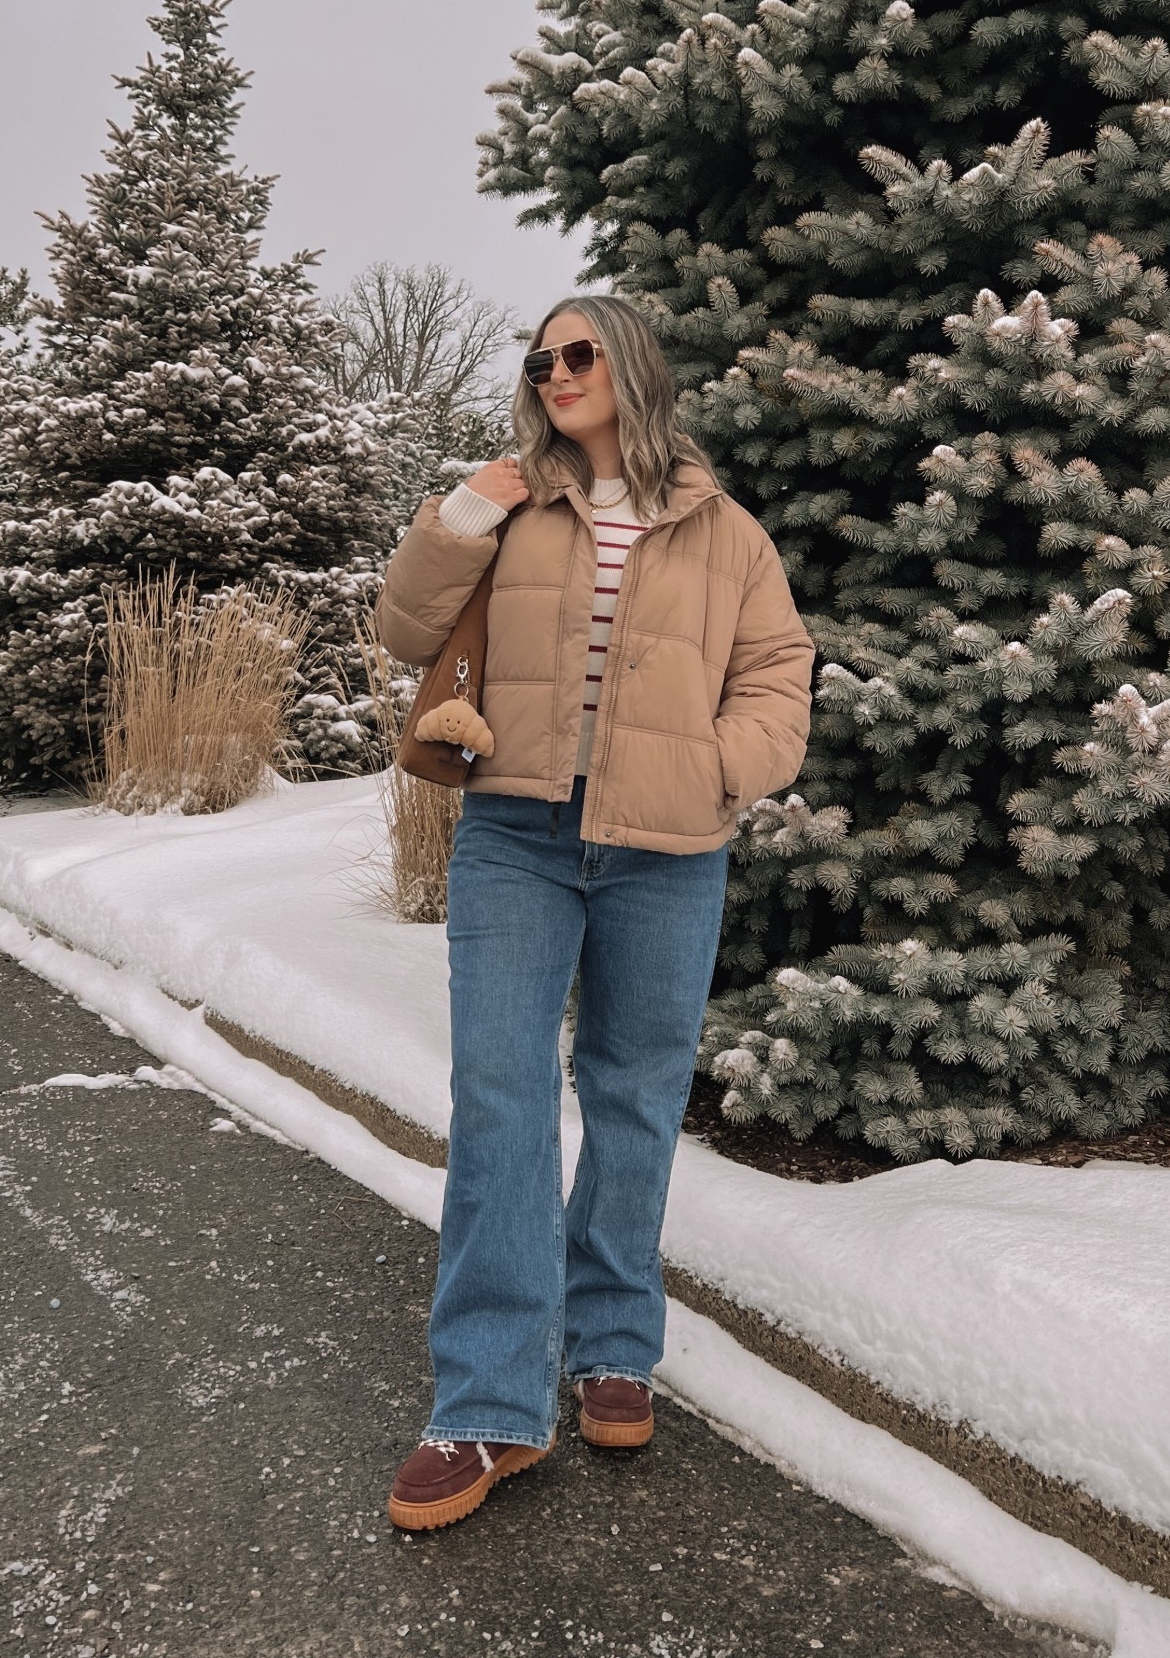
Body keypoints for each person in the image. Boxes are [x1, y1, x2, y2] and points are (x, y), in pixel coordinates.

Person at [374, 293, 815, 1531]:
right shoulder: (514, 502)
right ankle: (487, 1403)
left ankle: (615, 1342)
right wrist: (464, 508)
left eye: (579, 353)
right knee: (501, 1092)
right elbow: (405, 625)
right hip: (516, 833)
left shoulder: (726, 530)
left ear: (630, 366)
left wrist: (725, 762)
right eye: (541, 358)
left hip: (669, 847)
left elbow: (781, 669)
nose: (556, 371)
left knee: (632, 1088)